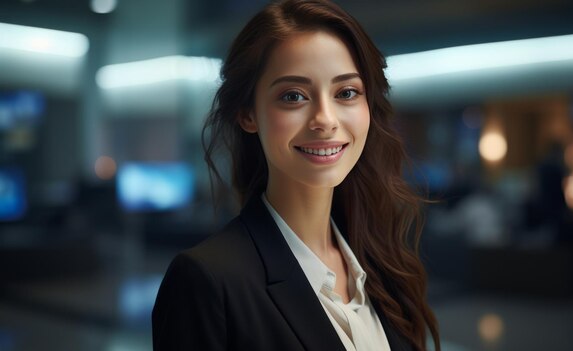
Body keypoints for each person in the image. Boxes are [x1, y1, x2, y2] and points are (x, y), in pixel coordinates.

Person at [152, 1, 440, 350]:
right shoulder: (206, 282)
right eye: (293, 96)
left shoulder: (385, 267)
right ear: (248, 114)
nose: (325, 119)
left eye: (346, 93)